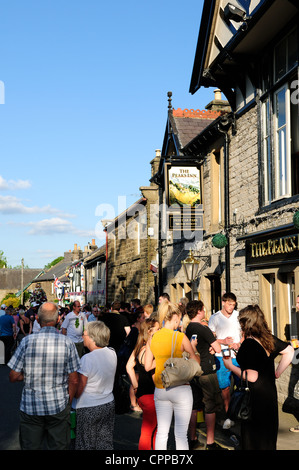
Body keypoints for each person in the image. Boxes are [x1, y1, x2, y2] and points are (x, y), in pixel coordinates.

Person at [8, 302, 80, 450]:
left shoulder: (27, 342)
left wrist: (27, 375)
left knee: (30, 446)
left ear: (38, 321)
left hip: (31, 406)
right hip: (58, 404)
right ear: (58, 320)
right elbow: (74, 379)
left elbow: (13, 376)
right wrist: (68, 402)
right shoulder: (68, 343)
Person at [223, 304, 294, 450]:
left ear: (246, 323)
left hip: (254, 399)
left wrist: (230, 366)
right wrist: (278, 372)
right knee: (268, 439)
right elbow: (289, 351)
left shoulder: (249, 344)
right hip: (270, 396)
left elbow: (252, 376)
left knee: (253, 441)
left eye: (241, 322)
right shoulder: (267, 338)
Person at [144, 301, 200, 450]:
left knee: (162, 432)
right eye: (179, 319)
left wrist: (163, 360)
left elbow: (147, 365)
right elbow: (196, 362)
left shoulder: (152, 338)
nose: (179, 322)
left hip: (161, 388)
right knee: (181, 434)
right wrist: (192, 349)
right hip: (181, 388)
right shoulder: (180, 337)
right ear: (175, 317)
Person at [186, 300, 224, 450]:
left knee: (195, 405)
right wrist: (214, 348)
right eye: (203, 309)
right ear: (200, 311)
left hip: (193, 370)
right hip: (206, 370)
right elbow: (218, 348)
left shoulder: (188, 328)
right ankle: (210, 442)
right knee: (211, 405)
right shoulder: (203, 328)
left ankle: (192, 438)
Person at [73, 321, 117, 450]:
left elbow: (79, 388)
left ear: (92, 338)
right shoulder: (111, 352)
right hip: (108, 402)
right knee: (105, 442)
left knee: (86, 443)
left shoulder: (87, 358)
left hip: (88, 406)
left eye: (84, 334)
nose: (82, 337)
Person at [208, 292, 241, 429]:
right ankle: (228, 416)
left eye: (233, 304)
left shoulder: (238, 316)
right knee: (225, 388)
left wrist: (239, 343)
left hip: (238, 356)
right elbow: (210, 338)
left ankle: (240, 413)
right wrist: (224, 341)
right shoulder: (215, 317)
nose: (231, 307)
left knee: (241, 386)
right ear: (223, 302)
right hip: (222, 357)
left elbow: (245, 333)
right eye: (229, 304)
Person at [126, 318, 160, 449]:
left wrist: (135, 386)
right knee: (150, 430)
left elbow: (129, 366)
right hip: (151, 394)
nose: (160, 331)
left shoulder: (140, 347)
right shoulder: (148, 350)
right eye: (157, 329)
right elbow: (149, 368)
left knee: (153, 429)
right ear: (150, 331)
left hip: (142, 394)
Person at [284, 294, 299, 432]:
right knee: (292, 390)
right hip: (297, 360)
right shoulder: (295, 318)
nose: (297, 305)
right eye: (297, 302)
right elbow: (293, 340)